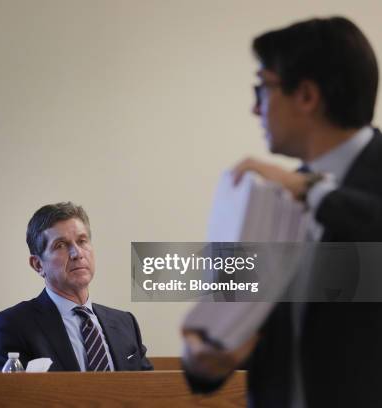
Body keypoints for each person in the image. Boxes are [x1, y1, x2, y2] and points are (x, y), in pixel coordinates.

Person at [182, 16, 382, 407]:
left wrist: (311, 191)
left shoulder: (308, 193)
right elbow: (231, 331)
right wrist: (203, 359)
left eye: (263, 88)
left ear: (306, 95)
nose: (255, 108)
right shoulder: (269, 202)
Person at [0, 202, 153, 372]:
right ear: (38, 264)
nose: (77, 253)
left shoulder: (125, 323)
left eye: (82, 241)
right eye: (61, 245)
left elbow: (150, 390)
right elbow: (8, 396)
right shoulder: (13, 325)